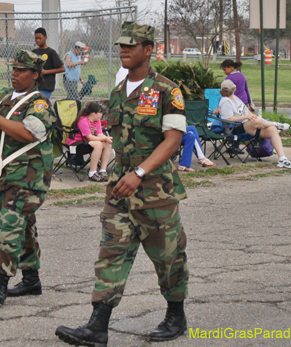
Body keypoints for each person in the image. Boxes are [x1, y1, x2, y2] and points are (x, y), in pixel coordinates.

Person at [56, 22, 190, 345]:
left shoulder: (167, 91)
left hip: (155, 189)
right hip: (120, 188)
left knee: (168, 255)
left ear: (149, 49)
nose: (125, 50)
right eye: (121, 46)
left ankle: (176, 315)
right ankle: (97, 325)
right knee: (112, 251)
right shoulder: (117, 93)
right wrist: (124, 174)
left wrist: (140, 173)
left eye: (133, 45)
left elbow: (173, 140)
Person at [0, 50, 54, 305]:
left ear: (35, 75)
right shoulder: (3, 97)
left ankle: (0, 282)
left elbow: (29, 133)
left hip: (29, 177)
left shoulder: (39, 101)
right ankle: (31, 279)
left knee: (10, 225)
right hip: (5, 175)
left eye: (21, 70)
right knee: (23, 225)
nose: (15, 73)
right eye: (13, 69)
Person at [218, 79, 291, 165]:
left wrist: (250, 115)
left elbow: (245, 110)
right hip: (235, 128)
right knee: (257, 120)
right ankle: (276, 124)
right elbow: (228, 119)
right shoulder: (225, 102)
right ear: (234, 89)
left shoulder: (235, 98)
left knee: (272, 129)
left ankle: (282, 159)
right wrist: (246, 117)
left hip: (248, 125)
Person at [66, 102, 111, 182]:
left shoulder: (96, 121)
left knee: (107, 144)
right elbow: (89, 137)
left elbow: (100, 134)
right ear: (93, 113)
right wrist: (104, 139)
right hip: (76, 144)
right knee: (98, 144)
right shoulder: (83, 120)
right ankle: (92, 173)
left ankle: (103, 171)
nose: (101, 115)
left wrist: (108, 138)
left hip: (87, 142)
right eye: (100, 113)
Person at [33, 27, 64, 100]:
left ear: (45, 37)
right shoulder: (34, 52)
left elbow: (62, 68)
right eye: (36, 38)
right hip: (35, 86)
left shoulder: (51, 52)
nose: (37, 40)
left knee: (41, 106)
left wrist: (45, 72)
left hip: (46, 86)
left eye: (40, 38)